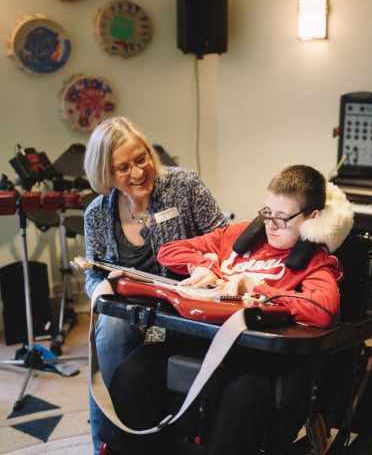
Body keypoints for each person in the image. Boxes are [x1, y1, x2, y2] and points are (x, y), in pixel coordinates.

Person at [98, 165, 354, 454]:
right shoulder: (239, 236)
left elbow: (322, 310)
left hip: (254, 358)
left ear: (311, 218)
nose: (271, 225)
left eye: (283, 218)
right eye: (267, 213)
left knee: (242, 395)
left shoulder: (314, 260)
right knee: (134, 370)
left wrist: (258, 287)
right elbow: (168, 251)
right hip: (202, 342)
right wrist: (207, 267)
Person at [83, 116, 228, 454]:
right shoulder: (96, 214)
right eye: (122, 168)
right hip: (130, 313)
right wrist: (105, 288)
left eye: (141, 158)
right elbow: (92, 275)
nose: (137, 172)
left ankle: (130, 438)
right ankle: (113, 443)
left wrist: (208, 268)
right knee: (112, 326)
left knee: (113, 334)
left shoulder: (185, 186)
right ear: (105, 174)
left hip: (184, 310)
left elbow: (226, 241)